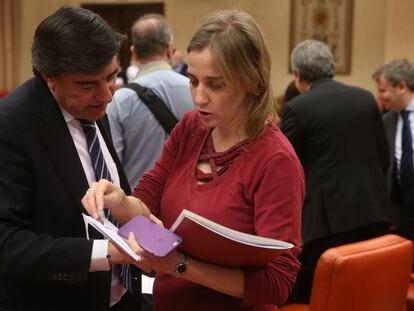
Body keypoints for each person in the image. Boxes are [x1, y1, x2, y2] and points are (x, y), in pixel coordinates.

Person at [82, 10, 304, 311]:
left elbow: (278, 285)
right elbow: (148, 201)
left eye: (215, 85)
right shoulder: (192, 126)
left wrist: (180, 266)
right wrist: (119, 201)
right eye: (193, 80)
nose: (199, 97)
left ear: (253, 82)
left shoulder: (275, 159)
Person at [0, 6, 142, 311]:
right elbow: (7, 244)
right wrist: (105, 252)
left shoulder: (91, 108)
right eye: (87, 84)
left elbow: (117, 199)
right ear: (49, 78)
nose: (106, 95)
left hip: (124, 297)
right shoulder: (11, 126)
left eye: (112, 77)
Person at [281, 39, 394, 303]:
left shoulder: (297, 109)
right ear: (330, 66)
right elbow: (383, 156)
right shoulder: (365, 98)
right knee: (367, 292)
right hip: (372, 211)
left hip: (325, 221)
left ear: (297, 75)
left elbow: (284, 168)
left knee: (324, 295)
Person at [108, 13, 193, 190]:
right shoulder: (195, 92)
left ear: (134, 53)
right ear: (169, 49)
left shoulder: (119, 101)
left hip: (138, 211)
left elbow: (112, 168)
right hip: (186, 208)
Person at [372, 59, 414, 241]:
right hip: (400, 218)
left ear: (401, 86)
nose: (379, 97)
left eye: (383, 90)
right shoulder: (386, 121)